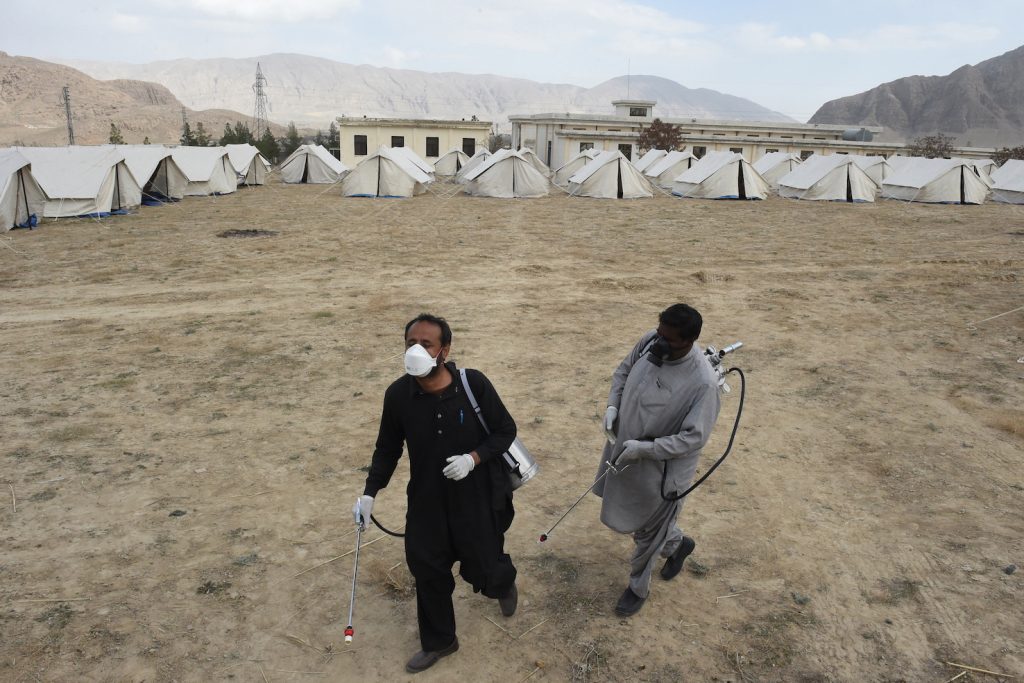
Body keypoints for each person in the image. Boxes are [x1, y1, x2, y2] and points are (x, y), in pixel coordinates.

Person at [353, 313, 519, 674]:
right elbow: (387, 448)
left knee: (485, 568)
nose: (416, 349)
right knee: (426, 569)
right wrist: (370, 494)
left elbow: (505, 431)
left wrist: (473, 459)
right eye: (410, 343)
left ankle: (502, 584)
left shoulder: (473, 384)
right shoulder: (398, 395)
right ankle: (440, 640)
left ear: (444, 350)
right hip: (427, 502)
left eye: (425, 343)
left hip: (476, 499)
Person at [594, 303, 722, 617]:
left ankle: (637, 588)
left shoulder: (703, 383)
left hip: (661, 470)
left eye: (669, 338)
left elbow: (694, 438)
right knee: (644, 521)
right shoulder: (651, 340)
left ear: (689, 341)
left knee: (651, 528)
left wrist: (646, 449)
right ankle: (677, 545)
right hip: (625, 450)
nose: (659, 342)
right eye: (659, 332)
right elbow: (624, 371)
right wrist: (613, 406)